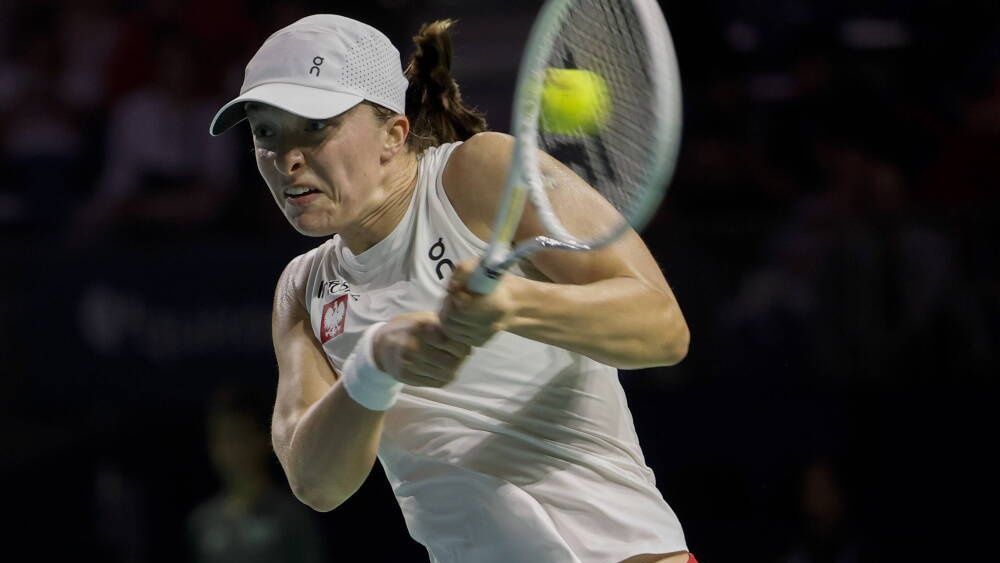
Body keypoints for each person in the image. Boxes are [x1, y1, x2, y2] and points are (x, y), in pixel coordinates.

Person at [209, 14, 694, 563]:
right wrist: (375, 365)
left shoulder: (478, 173)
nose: (288, 158)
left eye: (315, 126)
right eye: (266, 132)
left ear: (393, 133)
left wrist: (515, 304)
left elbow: (663, 329)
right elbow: (317, 484)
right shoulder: (303, 289)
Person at [187, 385, 326, 563]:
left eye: (240, 437)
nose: (233, 450)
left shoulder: (291, 515)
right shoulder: (202, 522)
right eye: (225, 439)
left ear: (263, 439)